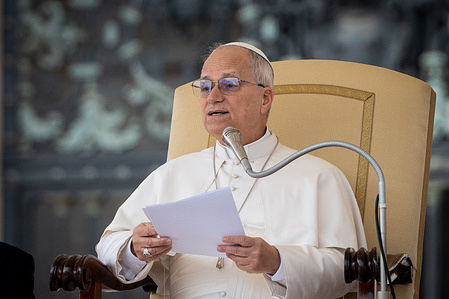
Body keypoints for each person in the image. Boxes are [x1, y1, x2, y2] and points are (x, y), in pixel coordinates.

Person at [96, 41, 366, 298]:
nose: (213, 97)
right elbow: (107, 248)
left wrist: (277, 261)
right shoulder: (173, 174)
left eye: (229, 84)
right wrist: (134, 247)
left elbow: (350, 271)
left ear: (265, 99)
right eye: (204, 87)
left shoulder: (318, 176)